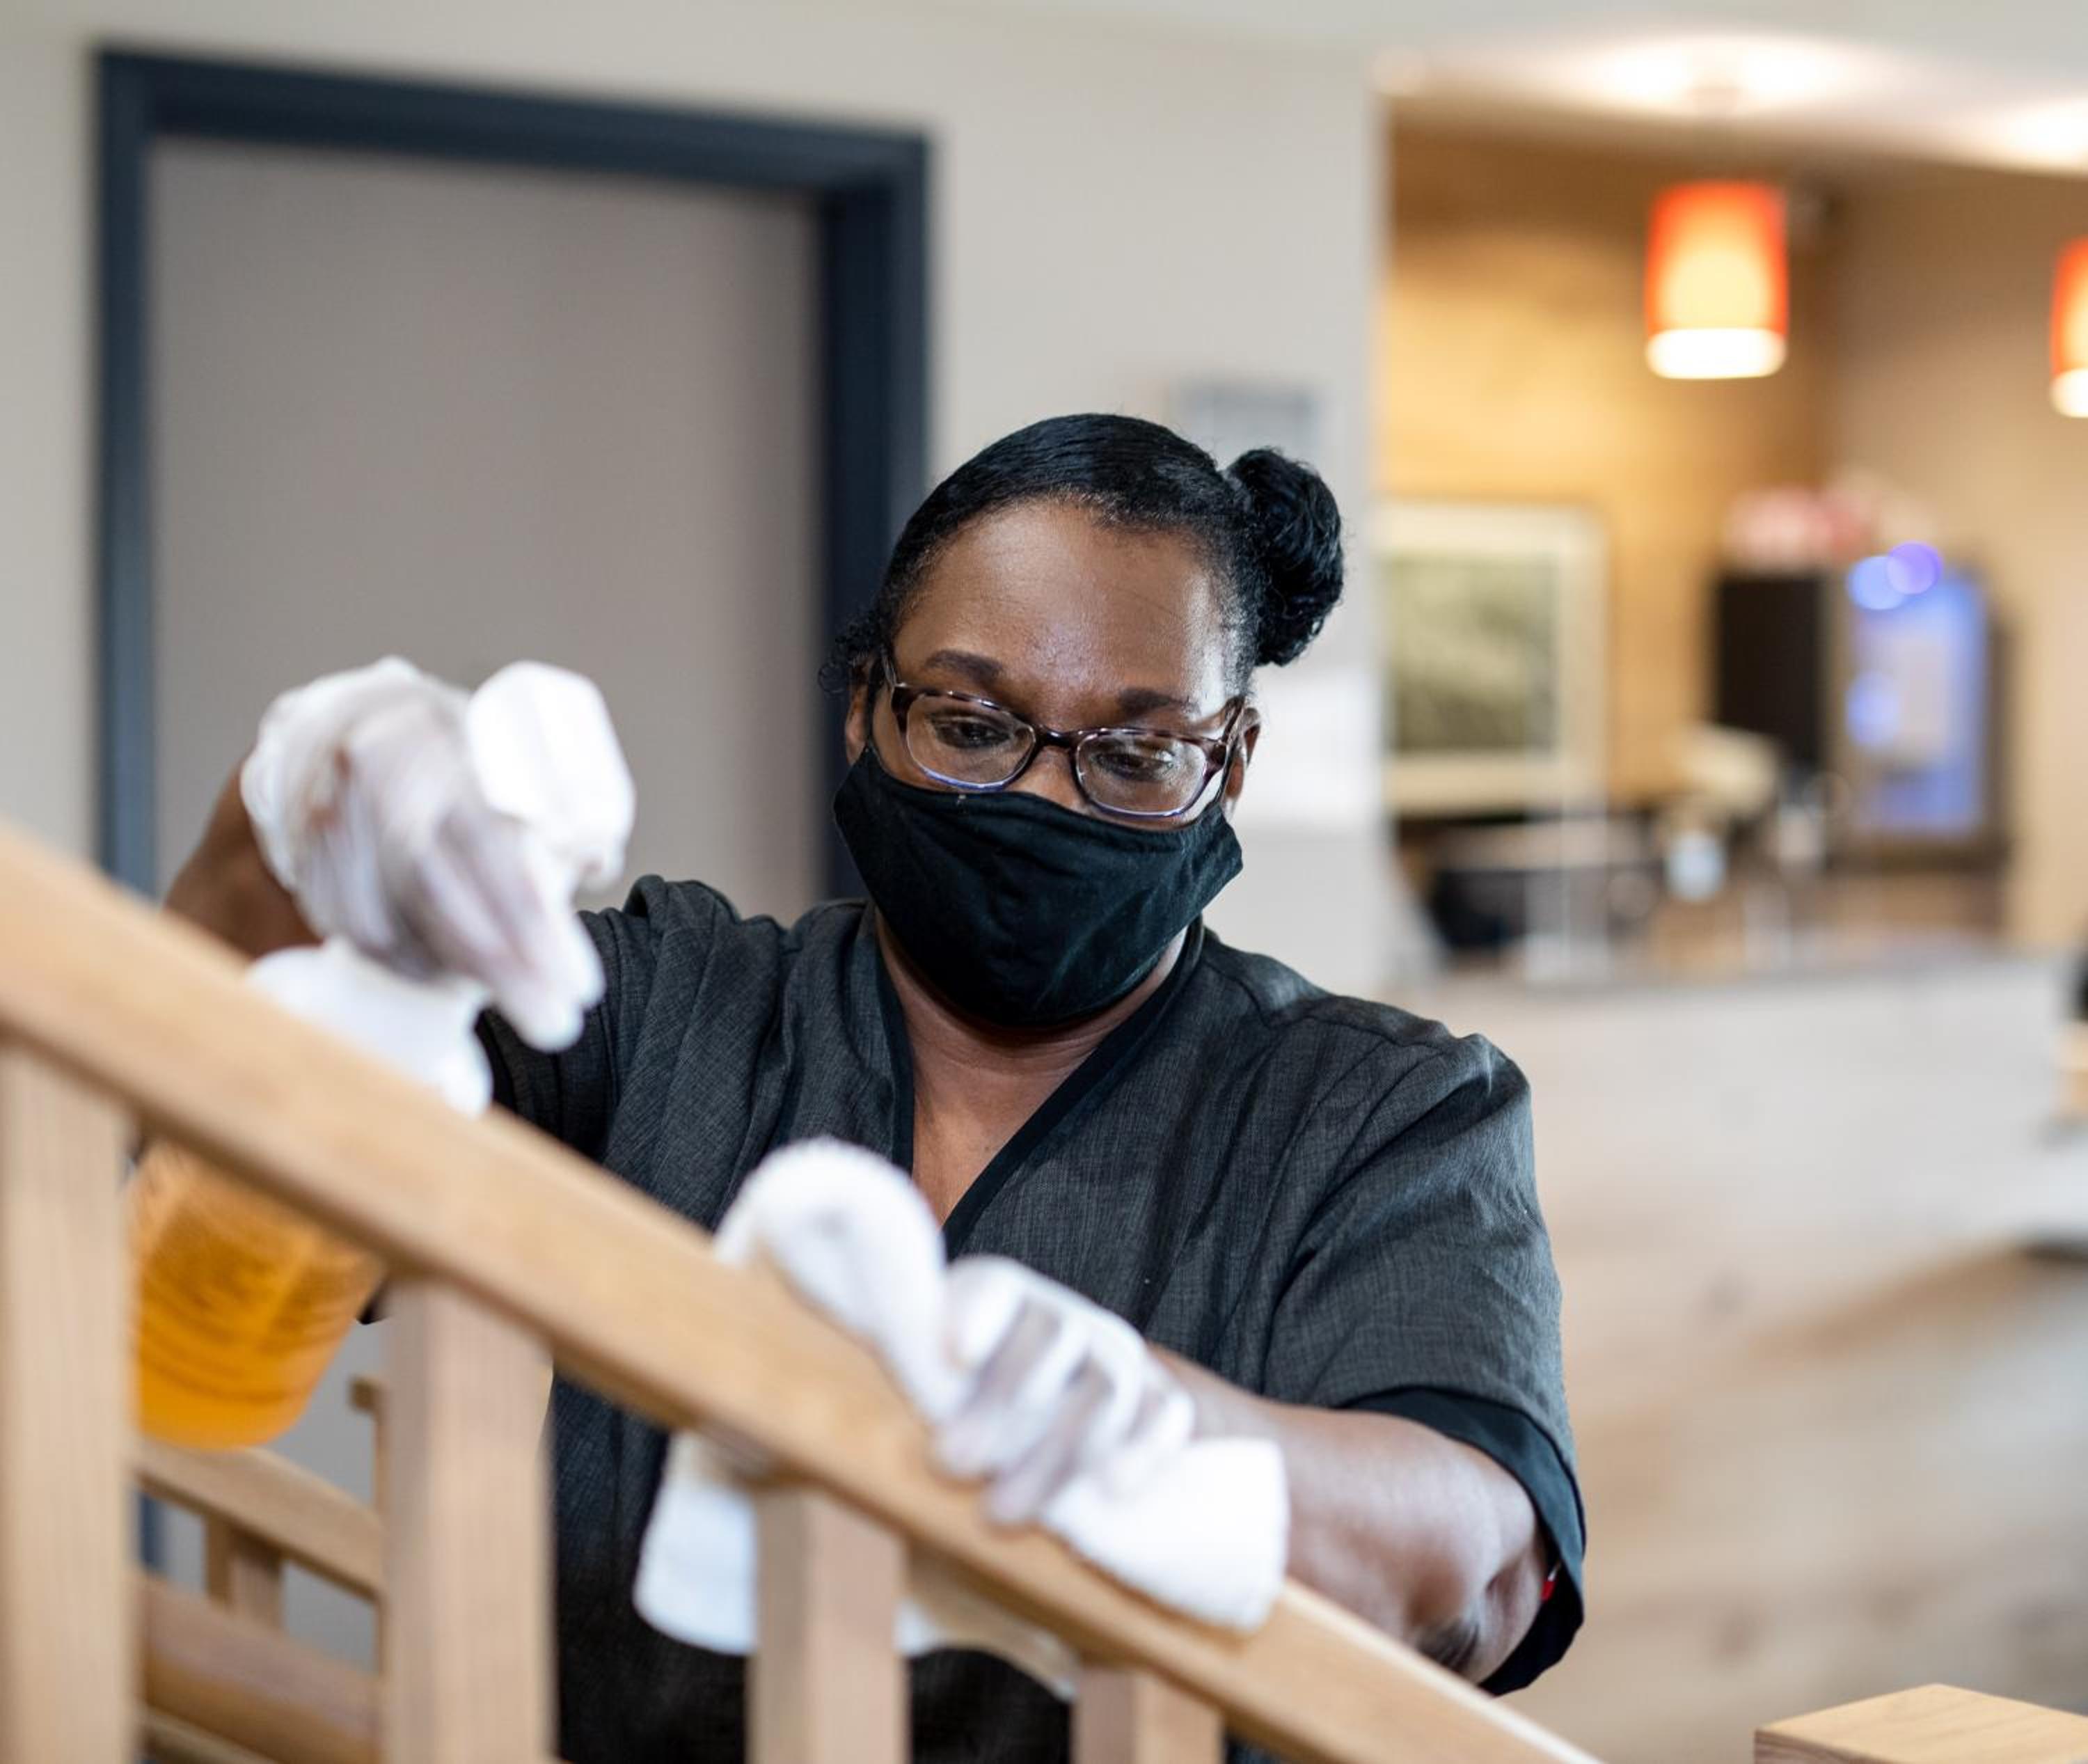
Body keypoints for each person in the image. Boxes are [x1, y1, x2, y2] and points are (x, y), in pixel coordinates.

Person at [166, 414, 1582, 1762]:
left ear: (1233, 761)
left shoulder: (1379, 1111)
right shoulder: (663, 1007)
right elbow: (216, 1083)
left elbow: (1474, 1556)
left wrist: (1176, 1441)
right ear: (864, 710)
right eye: (969, 723)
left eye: (1138, 754)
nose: (1045, 798)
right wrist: (299, 814)